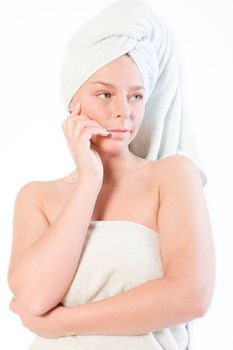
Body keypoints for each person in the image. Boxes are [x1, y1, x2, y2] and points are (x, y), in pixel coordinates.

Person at [7, 1, 215, 349]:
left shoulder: (173, 176)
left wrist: (63, 323)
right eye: (105, 94)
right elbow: (33, 298)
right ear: (73, 102)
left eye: (136, 96)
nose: (124, 112)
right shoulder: (37, 197)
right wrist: (89, 180)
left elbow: (191, 296)